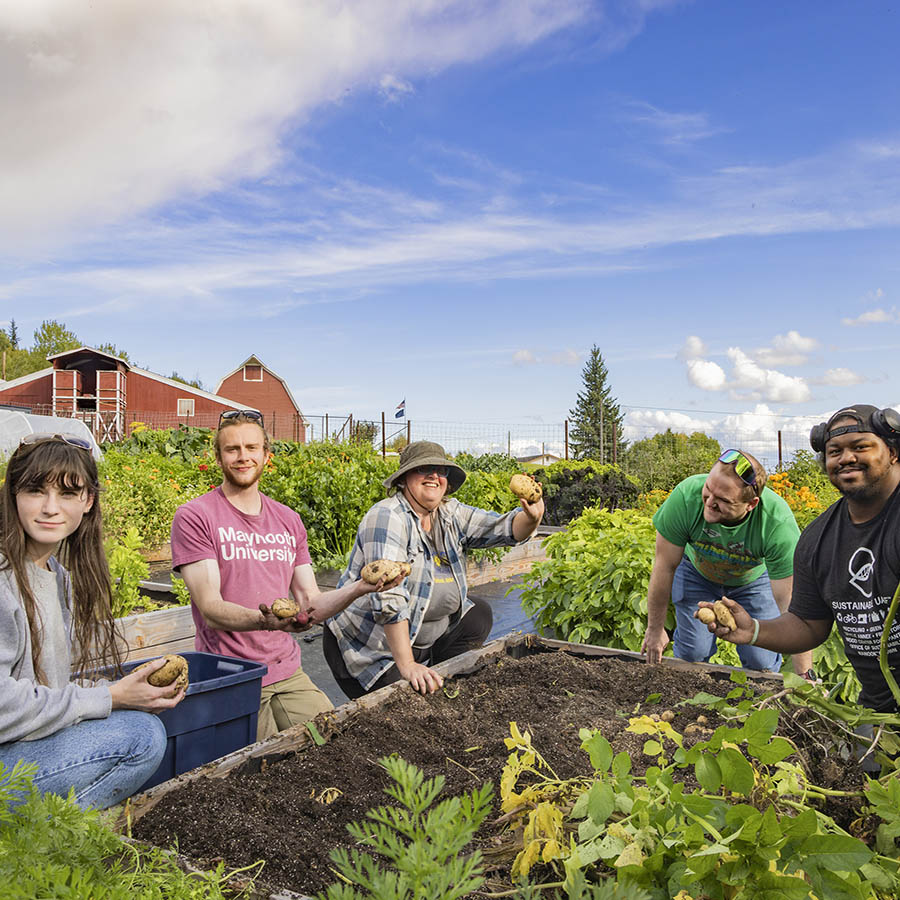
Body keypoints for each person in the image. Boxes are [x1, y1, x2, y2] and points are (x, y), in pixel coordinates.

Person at [171, 410, 397, 742]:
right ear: (217, 457)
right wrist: (266, 621)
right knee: (248, 772)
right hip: (231, 676)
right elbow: (210, 607)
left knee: (337, 745)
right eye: (232, 449)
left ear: (266, 456)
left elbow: (308, 601)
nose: (243, 456)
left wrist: (361, 588)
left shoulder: (288, 520)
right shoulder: (196, 516)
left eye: (251, 447)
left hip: (288, 672)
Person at [0, 434, 183, 810]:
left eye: (68, 494)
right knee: (142, 738)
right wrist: (109, 697)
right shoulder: (3, 579)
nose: (51, 508)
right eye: (36, 490)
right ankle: (34, 840)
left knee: (140, 720)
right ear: (14, 494)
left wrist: (122, 692)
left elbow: (44, 684)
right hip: (8, 760)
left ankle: (45, 833)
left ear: (87, 502)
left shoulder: (56, 575)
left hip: (20, 749)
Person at [699, 404, 900, 712]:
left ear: (893, 452)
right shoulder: (818, 540)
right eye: (835, 451)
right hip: (881, 709)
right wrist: (752, 629)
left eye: (861, 447)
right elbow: (809, 624)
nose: (846, 458)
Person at [323, 440, 544, 699]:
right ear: (404, 479)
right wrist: (406, 666)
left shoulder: (449, 514)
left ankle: (438, 676)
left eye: (441, 471)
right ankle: (410, 672)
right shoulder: (388, 517)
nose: (434, 476)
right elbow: (388, 598)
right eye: (423, 468)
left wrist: (531, 518)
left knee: (477, 615)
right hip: (370, 648)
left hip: (418, 635)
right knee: (405, 706)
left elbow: (501, 528)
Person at [641, 448, 814, 676]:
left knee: (761, 661)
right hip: (697, 574)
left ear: (750, 504)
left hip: (752, 580)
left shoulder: (775, 523)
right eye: (708, 489)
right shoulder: (686, 497)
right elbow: (664, 566)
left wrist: (805, 674)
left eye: (723, 500)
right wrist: (655, 630)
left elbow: (790, 603)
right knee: (692, 654)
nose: (709, 502)